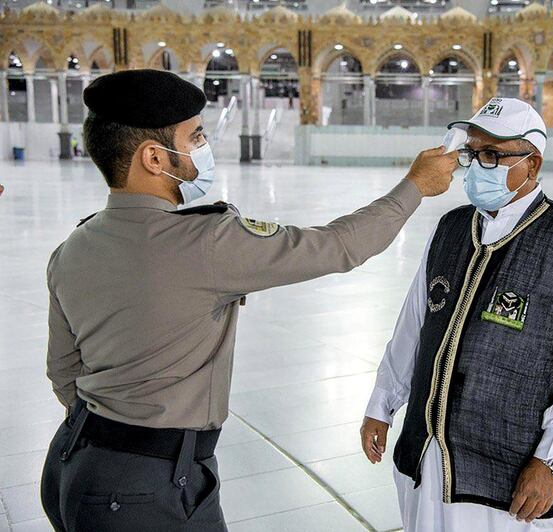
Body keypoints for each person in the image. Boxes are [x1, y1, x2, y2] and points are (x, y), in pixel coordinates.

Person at [40, 69, 457, 532]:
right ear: (155, 157)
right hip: (148, 491)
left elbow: (64, 373)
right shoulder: (205, 243)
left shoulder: (72, 248)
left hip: (73, 467)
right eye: (195, 136)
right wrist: (416, 185)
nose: (204, 146)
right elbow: (339, 245)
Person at [361, 97, 553, 531]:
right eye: (473, 153)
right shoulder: (452, 228)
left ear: (532, 165)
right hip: (428, 456)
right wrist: (383, 401)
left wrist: (552, 459)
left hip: (510, 474)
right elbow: (413, 327)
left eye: (493, 155)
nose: (478, 166)